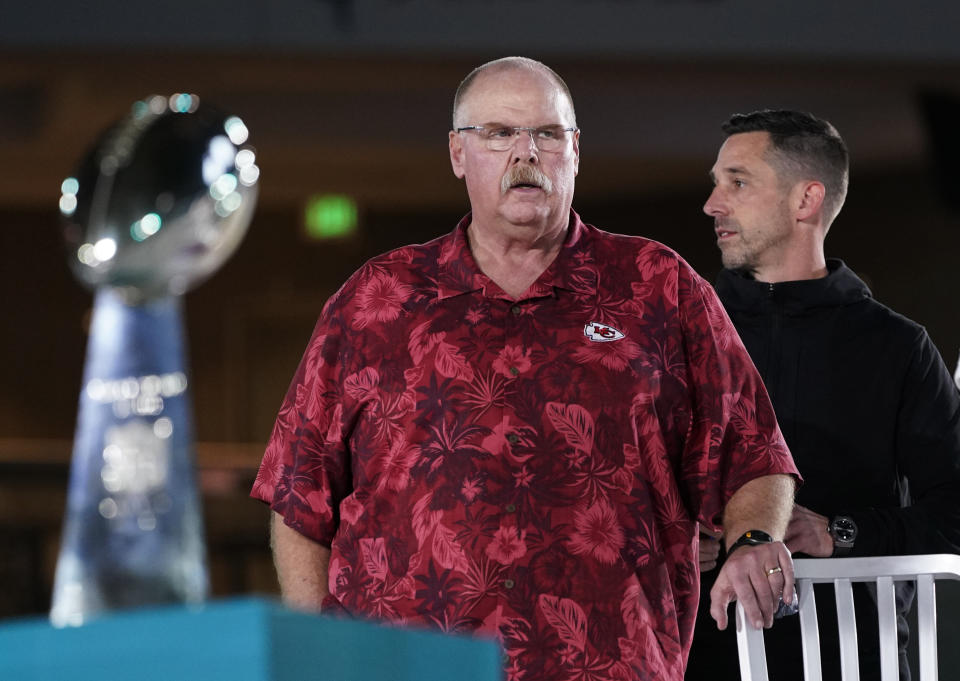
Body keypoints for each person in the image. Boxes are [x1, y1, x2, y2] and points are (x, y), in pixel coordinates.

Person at [251, 58, 799, 681]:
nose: (525, 152)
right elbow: (298, 493)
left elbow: (755, 452)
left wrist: (755, 539)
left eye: (546, 133)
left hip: (611, 662)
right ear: (458, 153)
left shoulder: (657, 285)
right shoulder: (377, 298)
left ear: (574, 152)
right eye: (498, 133)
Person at [687, 109, 960, 681]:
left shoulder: (898, 347)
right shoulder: (673, 333)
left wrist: (837, 532)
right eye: (716, 183)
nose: (713, 203)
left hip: (855, 659)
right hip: (692, 659)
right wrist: (668, 531)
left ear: (806, 199)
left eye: (737, 182)